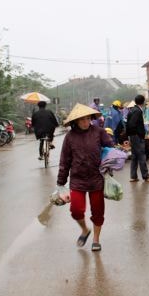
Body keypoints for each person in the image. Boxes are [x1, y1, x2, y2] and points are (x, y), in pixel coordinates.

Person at [56, 103, 113, 252]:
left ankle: (96, 239)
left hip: (96, 178)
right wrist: (61, 183)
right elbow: (64, 161)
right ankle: (84, 230)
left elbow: (110, 149)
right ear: (75, 121)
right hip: (78, 179)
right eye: (82, 119)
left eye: (88, 119)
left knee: (98, 211)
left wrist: (113, 156)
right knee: (76, 210)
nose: (86, 122)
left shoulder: (99, 132)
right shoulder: (69, 137)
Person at [125, 94, 149, 182]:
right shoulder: (138, 111)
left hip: (133, 136)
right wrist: (140, 134)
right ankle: (146, 176)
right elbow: (132, 124)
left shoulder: (132, 110)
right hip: (137, 137)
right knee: (141, 156)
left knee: (135, 156)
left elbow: (128, 124)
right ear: (143, 102)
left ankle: (133, 176)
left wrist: (129, 136)